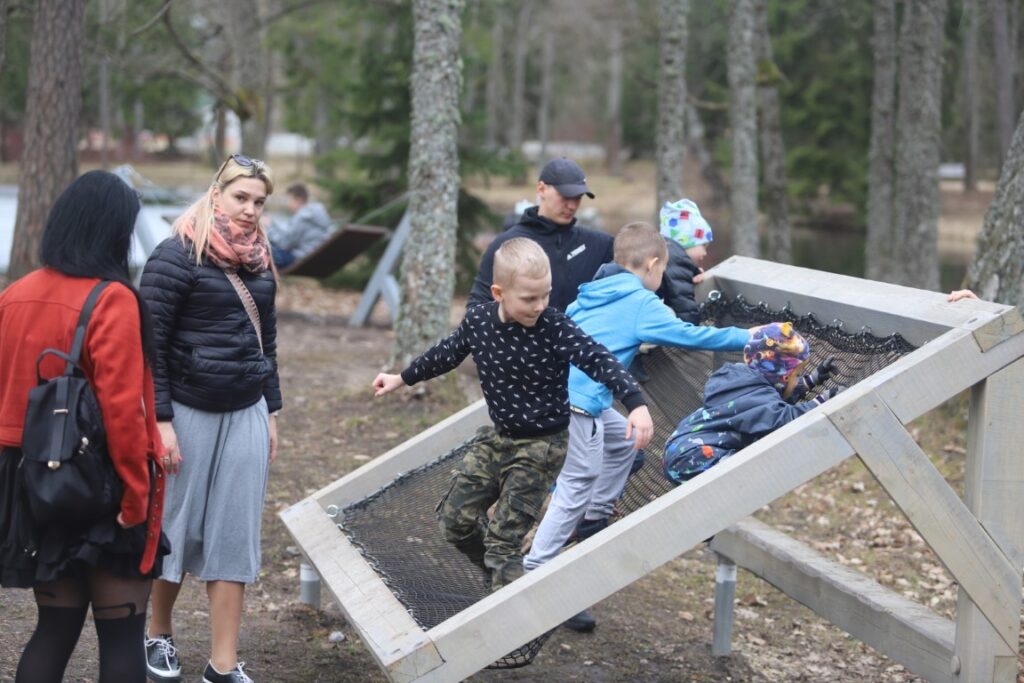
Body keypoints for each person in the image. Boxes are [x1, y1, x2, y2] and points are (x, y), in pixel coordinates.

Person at [373, 238, 653, 591]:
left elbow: (598, 358)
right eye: (529, 298)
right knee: (454, 522)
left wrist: (636, 403)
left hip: (543, 446)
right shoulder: (478, 321)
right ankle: (501, 578)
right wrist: (401, 378)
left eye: (546, 295)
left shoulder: (554, 327)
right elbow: (446, 353)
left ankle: (506, 605)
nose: (540, 306)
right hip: (500, 437)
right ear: (498, 292)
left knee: (504, 542)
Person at [522, 222, 751, 631]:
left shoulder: (590, 293)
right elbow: (691, 336)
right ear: (652, 264)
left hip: (558, 393)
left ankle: (594, 518)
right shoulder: (641, 303)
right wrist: (747, 338)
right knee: (576, 483)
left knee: (625, 442)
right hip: (577, 407)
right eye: (661, 271)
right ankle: (536, 571)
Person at [0, 170, 168, 682]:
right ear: (113, 230)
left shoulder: (16, 293)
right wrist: (136, 500)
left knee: (53, 629)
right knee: (121, 635)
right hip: (99, 485)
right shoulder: (111, 299)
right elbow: (122, 412)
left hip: (31, 482)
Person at [140, 154, 282, 683]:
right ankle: (157, 634)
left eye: (259, 202)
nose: (249, 211)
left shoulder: (259, 259)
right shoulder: (175, 256)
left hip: (245, 409)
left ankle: (222, 665)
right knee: (173, 526)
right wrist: (160, 420)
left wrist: (270, 408)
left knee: (234, 534)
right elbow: (147, 345)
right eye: (241, 197)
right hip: (186, 412)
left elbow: (265, 342)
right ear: (216, 193)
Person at [663, 322, 839, 484]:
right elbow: (782, 419)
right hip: (693, 456)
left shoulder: (742, 382)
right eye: (796, 375)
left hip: (682, 446)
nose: (796, 379)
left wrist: (811, 381)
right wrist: (821, 401)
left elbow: (768, 405)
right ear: (782, 376)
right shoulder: (753, 395)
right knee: (750, 475)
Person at [468, 157, 614, 312]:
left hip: (578, 336)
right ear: (541, 189)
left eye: (577, 198)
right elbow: (476, 308)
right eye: (565, 196)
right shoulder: (506, 244)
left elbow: (637, 261)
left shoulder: (598, 244)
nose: (572, 206)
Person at [656, 198, 714, 324]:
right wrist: (694, 329)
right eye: (703, 246)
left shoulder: (668, 254)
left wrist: (692, 272)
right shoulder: (677, 260)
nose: (705, 253)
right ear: (687, 241)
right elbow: (683, 305)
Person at [267, 182, 332, 269]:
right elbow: (289, 235)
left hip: (300, 259)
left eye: (289, 200)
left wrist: (268, 228)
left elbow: (285, 244)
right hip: (313, 258)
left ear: (298, 200)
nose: (287, 204)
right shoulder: (315, 214)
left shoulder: (303, 217)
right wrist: (273, 224)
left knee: (263, 251)